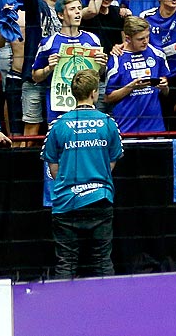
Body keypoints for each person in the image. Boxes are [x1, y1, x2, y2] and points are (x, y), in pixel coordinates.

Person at [41, 68, 123, 278]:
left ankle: (63, 309)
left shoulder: (58, 125)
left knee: (66, 263)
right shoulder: (108, 123)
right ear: (94, 92)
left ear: (73, 93)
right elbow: (111, 162)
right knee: (102, 260)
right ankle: (107, 307)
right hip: (100, 199)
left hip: (66, 202)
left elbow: (53, 167)